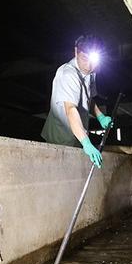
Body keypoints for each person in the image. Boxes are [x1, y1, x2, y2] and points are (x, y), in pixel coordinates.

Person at [41, 35, 113, 168]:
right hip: (60, 139)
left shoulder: (90, 72)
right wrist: (86, 142)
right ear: (75, 52)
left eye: (93, 60)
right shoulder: (68, 74)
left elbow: (89, 98)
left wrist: (100, 116)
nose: (89, 65)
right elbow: (70, 109)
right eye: (85, 58)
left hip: (78, 136)